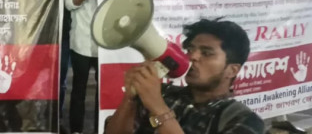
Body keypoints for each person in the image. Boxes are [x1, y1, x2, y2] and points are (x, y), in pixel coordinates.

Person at [104, 18, 264, 134]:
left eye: (206, 53)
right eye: (190, 50)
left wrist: (159, 108)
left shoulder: (243, 120)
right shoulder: (164, 93)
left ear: (232, 70)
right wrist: (130, 98)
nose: (192, 56)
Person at [63, 0, 115, 134]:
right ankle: (76, 130)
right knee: (79, 91)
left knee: (104, 92)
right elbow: (67, 4)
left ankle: (101, 129)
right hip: (82, 41)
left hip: (107, 42)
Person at [38, 0, 72, 116]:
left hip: (66, 34)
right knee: (40, 77)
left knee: (60, 80)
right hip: (42, 34)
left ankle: (55, 118)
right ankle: (39, 116)